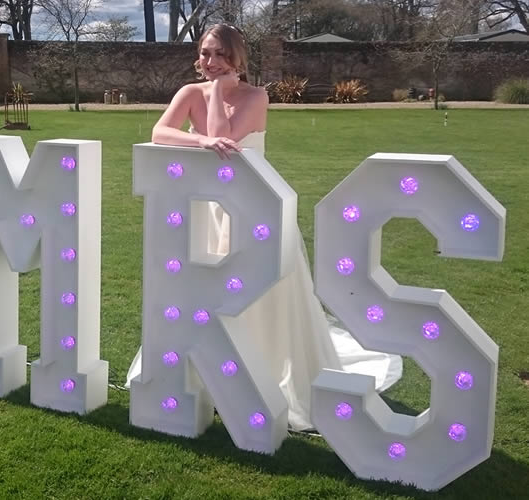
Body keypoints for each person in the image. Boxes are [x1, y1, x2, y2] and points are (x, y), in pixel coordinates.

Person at [126, 24, 402, 431]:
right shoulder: (188, 93)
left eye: (219, 53)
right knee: (204, 297)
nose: (209, 61)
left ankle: (256, 378)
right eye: (204, 53)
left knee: (258, 298)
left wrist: (218, 93)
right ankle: (207, 374)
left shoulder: (256, 97)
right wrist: (198, 140)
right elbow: (159, 133)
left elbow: (224, 141)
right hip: (203, 213)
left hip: (251, 214)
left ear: (237, 58)